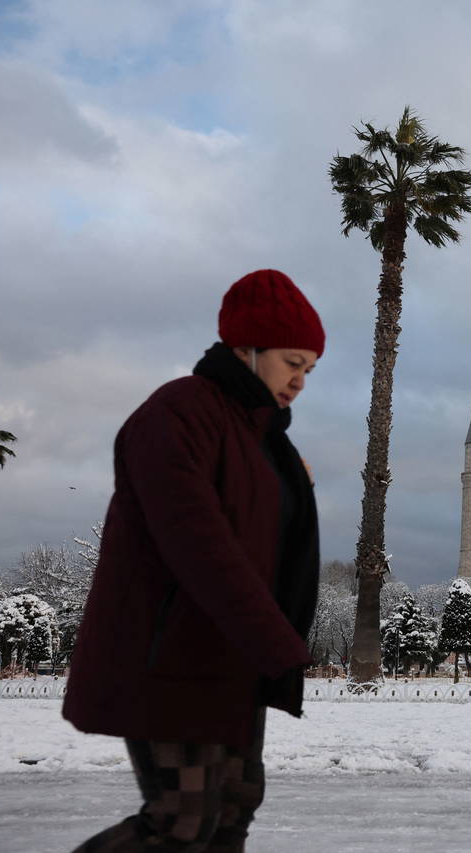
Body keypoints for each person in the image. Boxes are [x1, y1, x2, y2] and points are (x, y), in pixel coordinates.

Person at [63, 269, 326, 851]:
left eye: (310, 368)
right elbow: (195, 540)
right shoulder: (179, 412)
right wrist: (274, 640)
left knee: (231, 813)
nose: (301, 381)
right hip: (168, 656)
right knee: (181, 822)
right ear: (245, 348)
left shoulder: (263, 439)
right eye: (291, 362)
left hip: (232, 660)